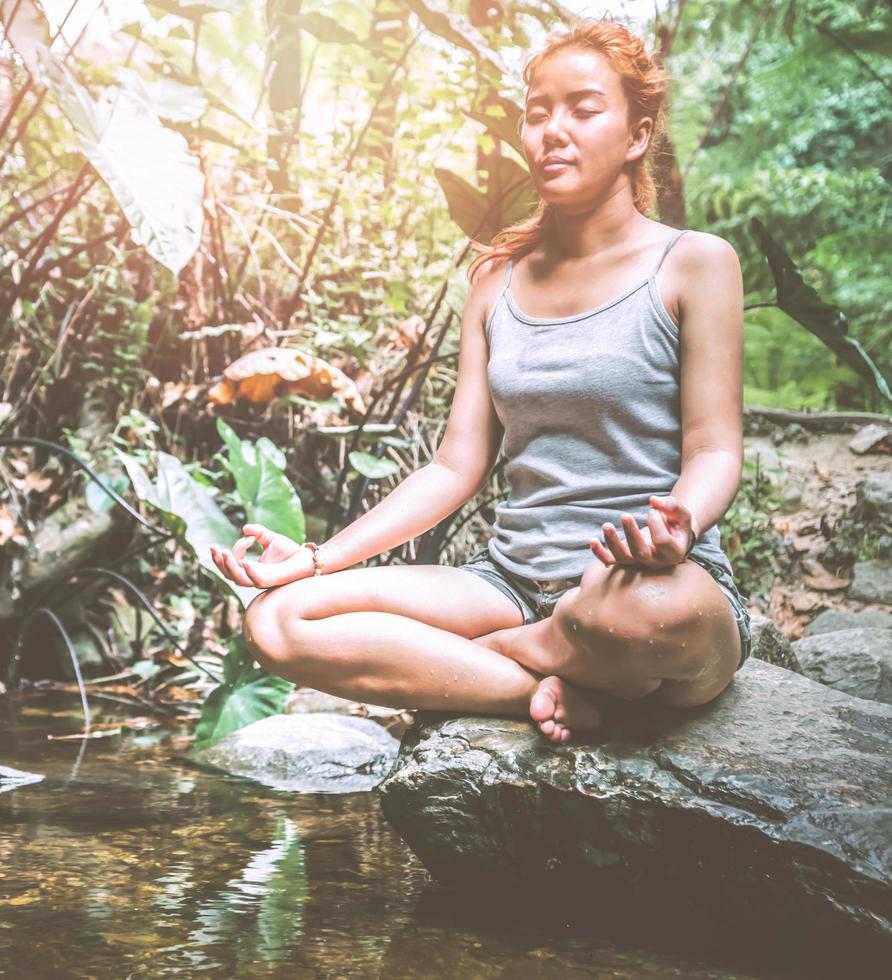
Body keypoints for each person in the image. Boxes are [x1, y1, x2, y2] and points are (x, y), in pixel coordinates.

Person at [209, 18, 753, 744]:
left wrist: (679, 523)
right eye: (538, 112)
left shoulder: (695, 263)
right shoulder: (495, 282)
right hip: (508, 584)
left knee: (635, 618)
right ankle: (543, 689)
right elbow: (454, 466)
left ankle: (490, 664)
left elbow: (716, 448)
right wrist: (315, 559)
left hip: (650, 586)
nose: (552, 130)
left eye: (583, 109)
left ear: (635, 135)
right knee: (277, 621)